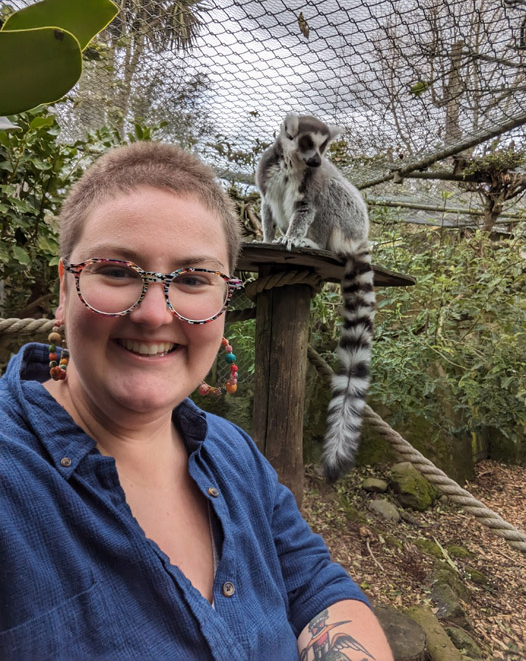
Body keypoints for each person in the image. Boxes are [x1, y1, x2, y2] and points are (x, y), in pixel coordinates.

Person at [0, 142, 393, 661]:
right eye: (117, 271)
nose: (154, 314)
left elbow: (312, 584)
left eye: (192, 279)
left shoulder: (233, 453)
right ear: (66, 290)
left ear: (225, 303)